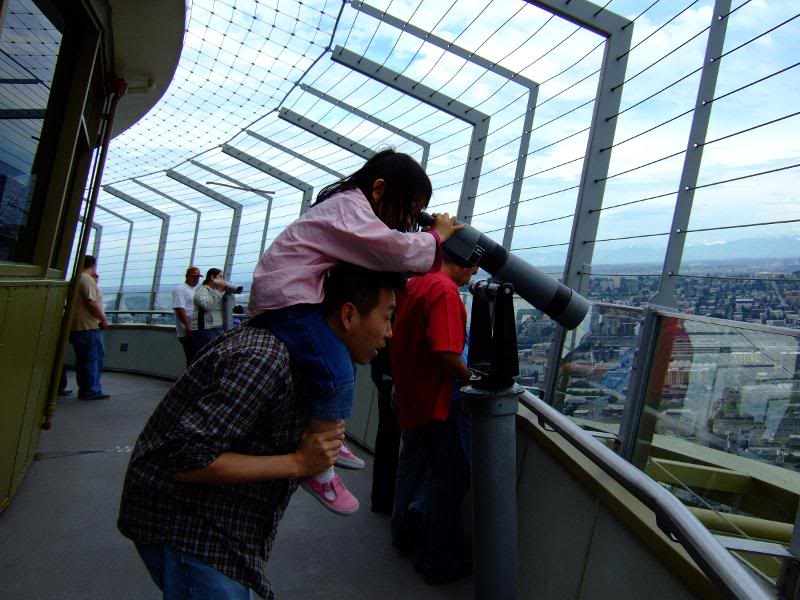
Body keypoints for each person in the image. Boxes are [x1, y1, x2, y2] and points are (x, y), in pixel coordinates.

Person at [118, 264, 404, 600]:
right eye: (387, 317)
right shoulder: (266, 359)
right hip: (190, 527)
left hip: (223, 527)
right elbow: (186, 458)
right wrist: (299, 463)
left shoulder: (309, 365)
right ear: (348, 315)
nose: (390, 332)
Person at [248, 149, 462, 515]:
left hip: (289, 295)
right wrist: (436, 235)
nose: (408, 221)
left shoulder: (345, 209)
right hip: (287, 299)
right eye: (409, 209)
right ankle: (320, 467)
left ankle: (329, 434)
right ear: (379, 189)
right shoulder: (350, 211)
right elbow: (394, 251)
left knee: (336, 362)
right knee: (335, 371)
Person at [390, 247, 478, 585]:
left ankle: (406, 533)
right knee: (453, 476)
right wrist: (471, 380)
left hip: (415, 395)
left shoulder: (418, 282)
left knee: (419, 468)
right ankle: (438, 558)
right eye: (474, 267)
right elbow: (446, 353)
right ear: (466, 262)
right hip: (442, 400)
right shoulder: (444, 290)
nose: (474, 274)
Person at [69, 255, 110, 400]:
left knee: (83, 359)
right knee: (93, 358)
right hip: (89, 326)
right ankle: (91, 390)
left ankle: (85, 389)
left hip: (77, 326)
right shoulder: (87, 280)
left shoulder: (77, 278)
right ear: (93, 265)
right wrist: (103, 320)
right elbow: (91, 302)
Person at [172, 266, 201, 365]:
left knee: (195, 356)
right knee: (192, 356)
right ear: (187, 276)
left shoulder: (195, 289)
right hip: (187, 330)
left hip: (195, 328)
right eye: (193, 276)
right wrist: (187, 325)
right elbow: (179, 307)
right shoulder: (180, 289)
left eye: (198, 276)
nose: (196, 278)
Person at [193, 267, 226, 351]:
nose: (222, 280)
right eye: (220, 277)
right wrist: (219, 291)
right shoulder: (202, 290)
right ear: (212, 277)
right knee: (209, 353)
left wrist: (227, 292)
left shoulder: (216, 291)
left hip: (217, 327)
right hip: (204, 328)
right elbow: (207, 306)